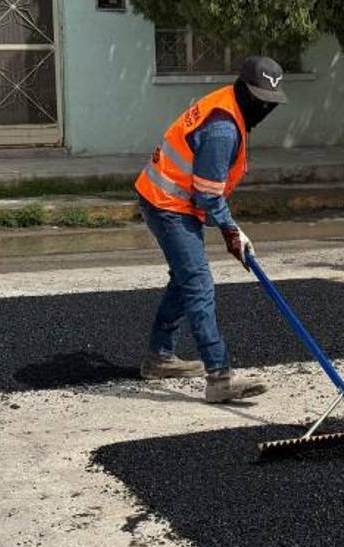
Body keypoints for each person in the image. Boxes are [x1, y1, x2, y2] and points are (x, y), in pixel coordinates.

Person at [133, 56, 287, 403]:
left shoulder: (230, 106)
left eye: (271, 102)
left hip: (174, 200)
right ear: (244, 89)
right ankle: (219, 378)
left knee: (185, 279)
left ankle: (159, 357)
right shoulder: (223, 128)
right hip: (167, 204)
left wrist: (232, 232)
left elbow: (205, 195)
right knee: (198, 283)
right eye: (260, 99)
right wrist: (233, 232)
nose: (265, 107)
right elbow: (207, 196)